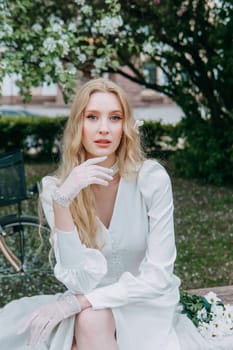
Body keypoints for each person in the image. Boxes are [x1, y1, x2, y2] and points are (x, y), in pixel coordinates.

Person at [0, 77, 233, 350]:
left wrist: (82, 302)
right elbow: (78, 281)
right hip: (89, 309)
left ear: (125, 126)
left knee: (89, 319)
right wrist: (64, 201)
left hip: (145, 303)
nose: (103, 129)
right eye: (92, 117)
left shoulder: (150, 178)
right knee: (70, 323)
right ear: (78, 125)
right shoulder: (57, 190)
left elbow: (158, 276)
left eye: (114, 118)